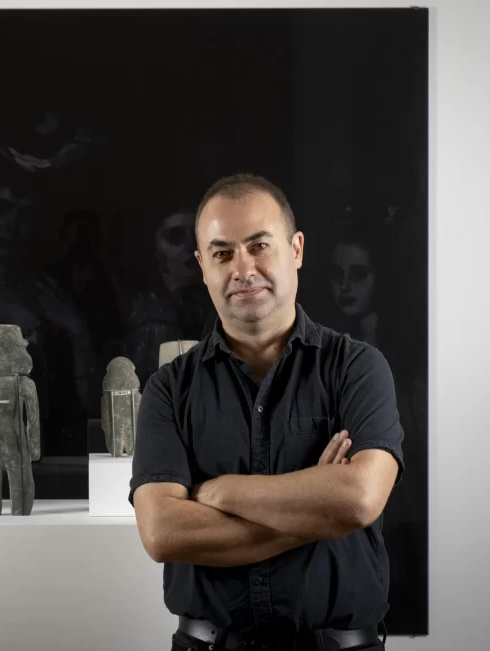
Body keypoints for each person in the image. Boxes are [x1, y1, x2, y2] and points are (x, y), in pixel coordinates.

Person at [129, 173, 404, 651]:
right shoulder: (168, 390)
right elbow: (162, 533)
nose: (243, 268)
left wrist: (219, 492)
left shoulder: (358, 368)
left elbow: (359, 498)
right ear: (202, 267)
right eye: (222, 254)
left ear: (296, 249)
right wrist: (318, 512)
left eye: (259, 246)